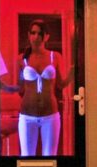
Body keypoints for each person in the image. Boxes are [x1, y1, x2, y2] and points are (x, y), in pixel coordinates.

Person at [16, 19, 73, 157]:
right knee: (27, 157)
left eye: (40, 33)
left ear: (46, 36)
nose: (36, 37)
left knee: (50, 157)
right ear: (29, 35)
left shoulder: (55, 56)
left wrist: (73, 73)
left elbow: (60, 84)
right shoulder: (22, 59)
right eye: (33, 33)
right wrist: (3, 85)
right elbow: (20, 88)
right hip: (27, 115)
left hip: (50, 115)